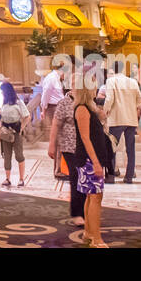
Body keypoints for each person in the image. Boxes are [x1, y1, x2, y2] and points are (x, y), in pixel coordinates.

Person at [73, 84, 112, 247]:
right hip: (88, 159)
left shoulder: (89, 108)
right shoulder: (81, 108)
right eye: (93, 86)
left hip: (92, 158)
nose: (96, 89)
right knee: (95, 197)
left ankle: (89, 234)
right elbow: (85, 138)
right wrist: (95, 162)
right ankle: (96, 238)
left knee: (93, 196)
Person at [49, 76, 86, 227]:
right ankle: (77, 213)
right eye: (73, 84)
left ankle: (86, 210)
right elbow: (56, 124)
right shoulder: (64, 103)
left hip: (86, 146)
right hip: (69, 147)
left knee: (85, 179)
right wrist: (52, 144)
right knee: (76, 178)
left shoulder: (86, 101)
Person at [103, 60, 141, 182]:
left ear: (112, 71)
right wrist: (130, 106)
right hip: (131, 119)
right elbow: (140, 100)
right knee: (130, 149)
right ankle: (129, 176)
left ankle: (110, 176)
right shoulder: (133, 82)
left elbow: (109, 99)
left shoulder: (111, 81)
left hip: (117, 118)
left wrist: (105, 111)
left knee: (112, 148)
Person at [0, 81, 29, 188]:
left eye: (3, 91)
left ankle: (21, 179)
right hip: (5, 133)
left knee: (19, 155)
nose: (2, 93)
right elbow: (2, 118)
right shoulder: (4, 103)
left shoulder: (18, 102)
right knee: (7, 156)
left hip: (15, 132)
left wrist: (21, 128)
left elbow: (27, 116)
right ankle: (7, 179)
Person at [39, 61, 66, 133]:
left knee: (62, 131)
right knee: (57, 131)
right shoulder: (51, 78)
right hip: (53, 108)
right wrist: (43, 110)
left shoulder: (59, 78)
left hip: (61, 106)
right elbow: (45, 95)